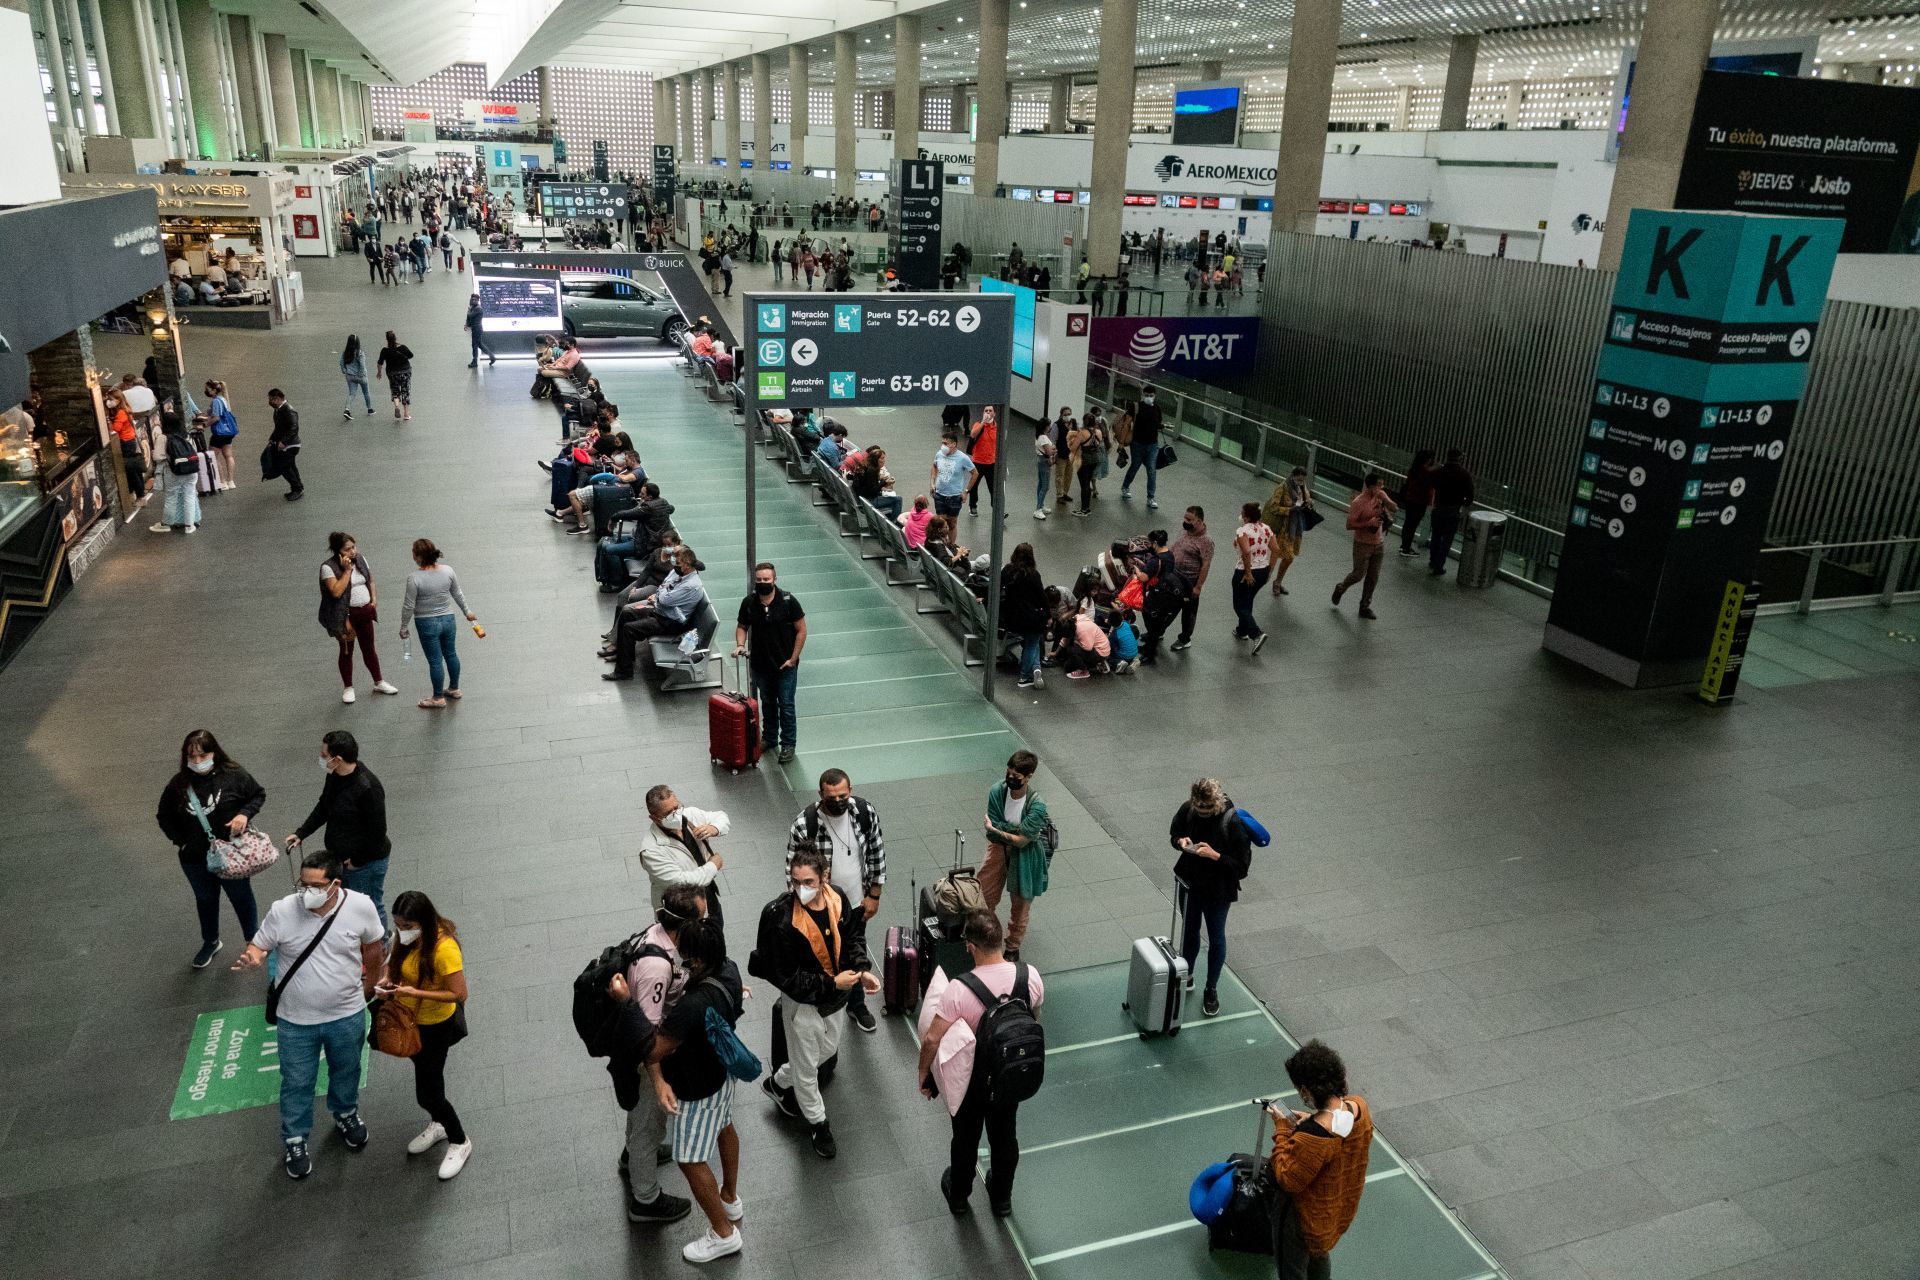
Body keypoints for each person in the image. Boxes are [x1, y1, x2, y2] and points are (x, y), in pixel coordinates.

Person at [230, 848, 386, 1180]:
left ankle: (345, 1113)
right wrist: (254, 956)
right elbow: (260, 945)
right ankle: (296, 1138)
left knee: (347, 1069)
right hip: (295, 1022)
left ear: (335, 885)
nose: (307, 893)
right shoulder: (283, 910)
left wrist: (368, 990)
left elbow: (374, 949)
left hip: (346, 1015)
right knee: (297, 1081)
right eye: (303, 884)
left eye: (316, 886)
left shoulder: (361, 906)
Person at [917, 909, 1046, 1217]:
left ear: (970, 947)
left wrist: (924, 1074)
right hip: (1008, 1077)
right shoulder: (1031, 976)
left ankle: (959, 1196)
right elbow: (1034, 1017)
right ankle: (1001, 1198)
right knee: (1005, 1137)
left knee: (965, 1138)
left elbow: (933, 1039)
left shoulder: (959, 990)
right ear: (1001, 941)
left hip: (973, 1082)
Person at [750, 847, 876, 1159]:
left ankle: (778, 1082)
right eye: (795, 882)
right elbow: (787, 977)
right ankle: (818, 1123)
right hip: (802, 1004)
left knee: (828, 1050)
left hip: (836, 997)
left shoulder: (837, 897)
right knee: (807, 1071)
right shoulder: (779, 918)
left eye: (808, 881)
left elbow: (852, 937)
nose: (800, 889)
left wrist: (860, 971)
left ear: (825, 877)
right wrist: (832, 982)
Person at [648, 917, 747, 1262]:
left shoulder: (692, 1005)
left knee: (689, 1158)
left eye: (685, 957)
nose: (679, 961)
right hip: (722, 1074)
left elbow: (656, 1049)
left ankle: (723, 1234)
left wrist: (629, 1007)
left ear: (699, 961)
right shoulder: (730, 970)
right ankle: (730, 1198)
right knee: (724, 1125)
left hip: (696, 1087)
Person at [609, 886, 708, 1225]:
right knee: (648, 1123)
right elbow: (646, 1038)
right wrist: (660, 1079)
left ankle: (632, 1154)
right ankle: (645, 1199)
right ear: (686, 925)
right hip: (644, 1057)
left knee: (642, 1121)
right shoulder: (656, 967)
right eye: (702, 919)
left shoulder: (658, 937)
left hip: (640, 1046)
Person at [376, 890, 473, 1181]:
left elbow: (459, 993)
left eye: (407, 926)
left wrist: (413, 992)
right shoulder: (405, 940)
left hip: (435, 1025)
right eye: (398, 925)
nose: (401, 932)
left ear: (423, 922)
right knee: (428, 1075)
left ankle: (459, 1139)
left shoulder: (444, 950)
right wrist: (387, 982)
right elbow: (395, 968)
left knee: (428, 1093)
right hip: (411, 1021)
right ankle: (438, 1123)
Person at [783, 769, 887, 1034]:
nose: (838, 801)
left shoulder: (864, 813)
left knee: (853, 950)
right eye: (831, 797)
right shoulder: (805, 825)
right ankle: (826, 1003)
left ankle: (856, 1004)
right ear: (821, 795)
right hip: (822, 908)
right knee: (825, 955)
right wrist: (808, 907)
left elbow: (876, 852)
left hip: (856, 903)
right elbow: (793, 873)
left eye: (843, 795)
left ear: (850, 790)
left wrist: (874, 895)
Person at [155, 729, 264, 969]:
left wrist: (244, 815)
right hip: (195, 858)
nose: (196, 762)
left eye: (202, 755)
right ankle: (211, 941)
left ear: (214, 753)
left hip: (231, 854)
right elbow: (164, 815)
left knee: (241, 896)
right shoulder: (178, 784)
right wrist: (181, 841)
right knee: (205, 899)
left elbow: (257, 795)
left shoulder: (233, 775)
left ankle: (252, 940)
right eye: (191, 757)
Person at [1269, 1041, 1374, 1280]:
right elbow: (1338, 1135)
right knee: (1320, 1255)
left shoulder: (1313, 1138)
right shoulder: (1360, 1108)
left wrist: (1283, 1130)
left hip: (1301, 1218)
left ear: (1306, 1091)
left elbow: (1286, 1177)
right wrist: (1312, 1118)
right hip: (1333, 1212)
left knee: (1292, 1270)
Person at [286, 730, 392, 933]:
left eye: (324, 755)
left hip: (365, 864)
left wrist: (356, 861)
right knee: (348, 905)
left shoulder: (368, 788)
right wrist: (302, 833)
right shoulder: (335, 776)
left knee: (370, 907)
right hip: (343, 859)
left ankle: (381, 947)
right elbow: (325, 806)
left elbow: (377, 832)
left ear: (338, 759)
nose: (321, 758)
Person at [1169, 778, 1253, 1018]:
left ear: (1216, 803)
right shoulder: (1189, 809)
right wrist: (1180, 842)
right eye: (1199, 810)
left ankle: (1211, 988)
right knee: (1189, 930)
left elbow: (1242, 867)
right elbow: (1175, 832)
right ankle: (1188, 974)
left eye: (1207, 810)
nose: (1202, 814)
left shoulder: (1232, 823)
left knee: (1216, 938)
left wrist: (1215, 856)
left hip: (1218, 889)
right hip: (1190, 882)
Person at [733, 562, 806, 764]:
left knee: (786, 704)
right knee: (767, 703)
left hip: (785, 666)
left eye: (766, 579)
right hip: (760, 665)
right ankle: (770, 738)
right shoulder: (749, 603)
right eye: (759, 580)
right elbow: (742, 626)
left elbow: (801, 630)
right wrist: (740, 644)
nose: (763, 583)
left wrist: (793, 658)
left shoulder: (788, 601)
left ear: (775, 580)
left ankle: (788, 743)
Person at [979, 751, 1049, 960]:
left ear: (1029, 777)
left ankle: (1012, 946)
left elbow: (1022, 841)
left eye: (1016, 777)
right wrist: (1013, 831)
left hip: (1025, 855)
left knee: (1021, 905)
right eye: (1009, 774)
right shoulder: (996, 791)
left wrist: (1000, 829)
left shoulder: (1037, 806)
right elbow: (992, 832)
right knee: (984, 895)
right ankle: (988, 939)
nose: (1010, 779)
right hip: (998, 848)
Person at [317, 532, 398, 703]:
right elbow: (336, 591)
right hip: (345, 616)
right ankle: (348, 687)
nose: (353, 552)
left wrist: (373, 600)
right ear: (337, 551)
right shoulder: (328, 567)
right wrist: (347, 571)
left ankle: (378, 681)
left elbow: (371, 580)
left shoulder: (361, 559)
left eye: (354, 547)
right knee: (347, 650)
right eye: (347, 549)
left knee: (369, 648)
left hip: (364, 612)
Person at [603, 544, 703, 681]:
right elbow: (664, 585)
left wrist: (662, 593)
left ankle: (624, 672)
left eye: (678, 563)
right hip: (661, 612)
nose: (675, 565)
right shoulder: (681, 573)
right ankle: (625, 656)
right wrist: (663, 592)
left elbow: (665, 599)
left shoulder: (690, 585)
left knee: (629, 629)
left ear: (687, 565)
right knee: (627, 613)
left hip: (670, 623)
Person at [637, 784, 732, 925]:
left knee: (716, 939)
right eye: (668, 813)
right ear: (654, 818)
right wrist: (713, 865)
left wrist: (713, 828)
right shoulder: (651, 850)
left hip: (708, 900)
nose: (676, 814)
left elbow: (721, 817)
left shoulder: (689, 815)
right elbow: (682, 882)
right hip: (680, 917)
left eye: (677, 807)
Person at [399, 538, 476, 707]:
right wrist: (467, 611)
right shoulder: (448, 570)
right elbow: (457, 593)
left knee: (435, 661)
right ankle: (454, 688)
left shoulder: (414, 578)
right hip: (448, 619)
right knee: (451, 654)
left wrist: (404, 626)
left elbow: (409, 605)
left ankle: (437, 698)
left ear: (418, 556)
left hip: (426, 623)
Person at [1332, 474, 1397, 621]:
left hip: (1378, 543)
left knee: (1373, 577)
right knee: (1358, 574)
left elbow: (1395, 508)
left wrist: (1385, 499)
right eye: (1378, 485)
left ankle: (1364, 606)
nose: (1381, 488)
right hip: (1362, 543)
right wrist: (1368, 524)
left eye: (1382, 485)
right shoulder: (1358, 503)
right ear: (1370, 486)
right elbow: (1349, 525)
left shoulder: (1381, 496)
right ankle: (1341, 588)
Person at [1001, 543, 1049, 690]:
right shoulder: (1033, 575)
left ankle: (1035, 667)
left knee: (1032, 642)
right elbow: (1042, 598)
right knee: (1032, 642)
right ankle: (1025, 676)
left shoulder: (1007, 570)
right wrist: (1048, 614)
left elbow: (997, 586)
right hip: (1030, 618)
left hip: (1011, 618)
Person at [1169, 506, 1215, 652]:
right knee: (1168, 605)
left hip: (1190, 580)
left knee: (1188, 610)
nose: (1185, 521)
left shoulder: (1206, 541)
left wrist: (1198, 586)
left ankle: (1185, 639)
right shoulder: (1185, 530)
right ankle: (1157, 631)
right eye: (1185, 518)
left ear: (1199, 521)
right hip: (1174, 574)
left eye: (1189, 519)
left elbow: (1206, 564)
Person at [1263, 467, 1315, 597]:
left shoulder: (1302, 488)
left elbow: (1307, 499)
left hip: (1294, 527)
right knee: (1286, 557)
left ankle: (1277, 581)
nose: (1300, 482)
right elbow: (1273, 507)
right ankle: (1272, 581)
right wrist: (1290, 509)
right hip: (1282, 529)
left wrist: (1308, 503)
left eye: (1302, 480)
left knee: (1286, 558)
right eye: (1298, 479)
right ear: (1292, 476)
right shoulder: (1282, 487)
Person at [149, 409, 202, 534]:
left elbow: (158, 457)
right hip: (191, 469)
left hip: (173, 471)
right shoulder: (186, 434)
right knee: (189, 495)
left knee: (171, 498)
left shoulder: (163, 437)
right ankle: (189, 526)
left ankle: (166, 524)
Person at [1426, 449, 1475, 577]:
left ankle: (1432, 560)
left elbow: (1429, 479)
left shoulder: (1439, 471)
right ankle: (1438, 565)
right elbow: (1470, 495)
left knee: (1436, 535)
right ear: (1460, 458)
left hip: (1438, 507)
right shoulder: (1464, 474)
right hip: (1453, 509)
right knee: (1447, 540)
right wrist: (1463, 503)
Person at [1232, 502, 1274, 652]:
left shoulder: (1242, 531)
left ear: (1246, 516)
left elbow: (1246, 552)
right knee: (1248, 599)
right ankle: (1242, 630)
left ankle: (1256, 633)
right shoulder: (1266, 528)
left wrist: (1248, 573)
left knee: (1239, 605)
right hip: (1263, 570)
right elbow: (1276, 549)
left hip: (1245, 572)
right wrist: (1270, 569)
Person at [1121, 387, 1164, 509]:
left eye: (1151, 395)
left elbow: (1158, 423)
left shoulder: (1157, 408)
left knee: (1151, 470)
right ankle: (1125, 486)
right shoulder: (1136, 407)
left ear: (1155, 396)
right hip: (1137, 443)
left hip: (1152, 444)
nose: (1148, 397)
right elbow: (1126, 424)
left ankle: (1151, 497)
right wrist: (1122, 442)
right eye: (1146, 395)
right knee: (1135, 466)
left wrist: (1161, 426)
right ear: (1142, 395)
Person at [1397, 449, 1436, 558]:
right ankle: (1406, 548)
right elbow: (1428, 489)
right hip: (1419, 502)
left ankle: (1404, 545)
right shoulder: (1427, 473)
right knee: (1413, 525)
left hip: (1410, 499)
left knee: (1408, 523)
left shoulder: (1413, 470)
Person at [265, 389, 303, 501]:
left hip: (291, 445)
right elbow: (278, 428)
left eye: (272, 399)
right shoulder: (278, 410)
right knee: (291, 465)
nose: (271, 401)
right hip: (289, 444)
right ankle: (298, 487)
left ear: (279, 398)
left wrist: (283, 441)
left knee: (284, 466)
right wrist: (272, 439)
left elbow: (294, 428)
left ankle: (297, 489)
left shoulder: (288, 411)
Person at [204, 379, 239, 492]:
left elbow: (216, 418)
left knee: (213, 456)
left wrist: (204, 424)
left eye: (207, 389)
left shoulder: (216, 402)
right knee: (228, 455)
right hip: (228, 432)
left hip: (219, 433)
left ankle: (222, 481)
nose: (206, 391)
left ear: (214, 390)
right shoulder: (223, 399)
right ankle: (231, 481)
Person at [928, 435, 975, 520]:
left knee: (952, 523)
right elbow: (934, 466)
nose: (943, 446)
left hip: (955, 497)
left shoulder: (963, 458)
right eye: (942, 443)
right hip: (939, 495)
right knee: (941, 523)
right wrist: (932, 483)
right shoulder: (939, 454)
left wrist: (966, 491)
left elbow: (975, 473)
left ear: (954, 444)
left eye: (946, 443)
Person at [966, 407, 999, 515]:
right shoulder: (978, 424)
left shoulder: (997, 427)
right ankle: (972, 507)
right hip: (978, 462)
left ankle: (996, 509)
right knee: (974, 486)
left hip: (991, 463)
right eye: (986, 411)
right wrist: (983, 423)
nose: (988, 412)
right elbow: (973, 434)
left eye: (990, 411)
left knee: (993, 488)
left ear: (994, 413)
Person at [377, 330, 415, 421]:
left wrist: (379, 372)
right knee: (405, 391)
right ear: (395, 338)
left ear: (387, 340)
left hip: (392, 374)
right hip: (405, 372)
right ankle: (406, 414)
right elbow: (411, 355)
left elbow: (380, 363)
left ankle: (397, 406)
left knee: (395, 391)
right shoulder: (403, 347)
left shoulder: (385, 350)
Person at [1047, 406, 1076, 509]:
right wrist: (1054, 453)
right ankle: (1059, 495)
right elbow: (1053, 439)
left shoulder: (1073, 423)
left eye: (1069, 414)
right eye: (1065, 414)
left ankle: (1065, 492)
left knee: (1069, 475)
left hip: (1071, 454)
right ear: (1061, 414)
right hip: (1061, 454)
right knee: (1060, 475)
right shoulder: (1057, 425)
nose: (1067, 416)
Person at [340, 334, 372, 419]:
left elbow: (341, 362)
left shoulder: (345, 352)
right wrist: (361, 374)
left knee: (352, 394)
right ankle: (370, 409)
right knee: (366, 392)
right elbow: (362, 365)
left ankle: (347, 410)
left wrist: (345, 371)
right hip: (361, 377)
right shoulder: (359, 352)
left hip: (350, 376)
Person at [464, 294, 496, 368]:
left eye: (475, 299)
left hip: (477, 329)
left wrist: (469, 310)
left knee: (475, 346)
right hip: (475, 329)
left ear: (478, 300)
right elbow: (468, 319)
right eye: (472, 299)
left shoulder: (478, 308)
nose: (473, 301)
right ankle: (491, 357)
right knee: (479, 345)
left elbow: (470, 315)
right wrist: (466, 325)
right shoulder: (473, 308)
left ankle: (475, 362)